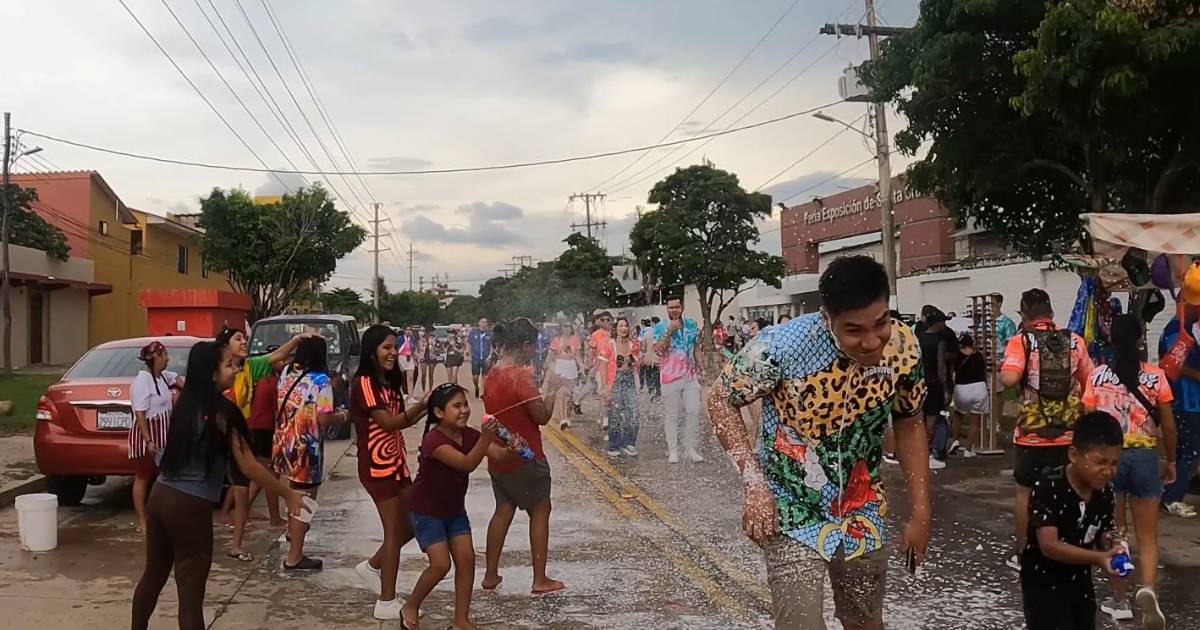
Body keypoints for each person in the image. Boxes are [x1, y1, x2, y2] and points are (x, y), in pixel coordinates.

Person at [706, 255, 932, 630]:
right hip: (792, 511)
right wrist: (753, 483)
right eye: (854, 330)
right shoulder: (780, 348)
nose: (872, 341)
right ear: (826, 319)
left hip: (863, 509)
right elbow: (720, 399)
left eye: (881, 323)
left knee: (864, 622)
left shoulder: (904, 348)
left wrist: (922, 512)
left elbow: (910, 421)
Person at [131, 341, 304, 630]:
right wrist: (288, 493)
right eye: (229, 365)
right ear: (211, 372)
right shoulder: (223, 412)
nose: (235, 371)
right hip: (189, 506)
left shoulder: (183, 404)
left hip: (160, 496)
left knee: (153, 575)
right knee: (190, 594)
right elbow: (248, 465)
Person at [1082, 314, 1174, 626]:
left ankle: (1120, 599)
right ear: (1139, 340)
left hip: (1110, 459)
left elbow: (1089, 422)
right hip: (1146, 456)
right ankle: (1149, 592)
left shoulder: (1096, 377)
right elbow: (1169, 426)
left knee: (1114, 533)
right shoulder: (1156, 376)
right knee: (1148, 538)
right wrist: (1170, 460)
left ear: (1110, 339)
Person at [402, 383, 511, 630]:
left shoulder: (470, 435)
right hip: (427, 512)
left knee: (467, 559)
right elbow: (466, 464)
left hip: (454, 511)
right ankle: (411, 605)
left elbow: (498, 455)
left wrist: (513, 446)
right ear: (439, 413)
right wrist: (485, 437)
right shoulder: (433, 440)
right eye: (456, 406)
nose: (463, 410)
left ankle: (461, 620)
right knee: (440, 564)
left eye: (465, 404)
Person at [1000, 288, 1094, 571]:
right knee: (1067, 490)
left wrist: (1014, 371)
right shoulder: (1075, 342)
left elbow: (1008, 379)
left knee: (1025, 493)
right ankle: (1066, 549)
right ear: (1051, 314)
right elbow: (1090, 381)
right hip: (1068, 433)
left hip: (1031, 435)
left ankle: (1026, 552)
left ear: (1024, 313)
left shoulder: (1021, 342)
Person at [481, 317, 565, 596]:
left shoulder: (492, 372)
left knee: (503, 510)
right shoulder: (521, 376)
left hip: (499, 456)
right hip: (527, 457)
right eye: (534, 345)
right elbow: (541, 417)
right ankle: (540, 579)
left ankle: (490, 575)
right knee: (540, 510)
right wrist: (552, 388)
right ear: (526, 345)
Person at [1019, 411, 1124, 630]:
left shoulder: (1104, 491)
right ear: (1074, 455)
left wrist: (1113, 545)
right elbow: (1049, 545)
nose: (1107, 471)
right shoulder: (1050, 486)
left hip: (1079, 578)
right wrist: (1099, 558)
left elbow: (1103, 531)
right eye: (1100, 462)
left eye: (1114, 463)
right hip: (1042, 580)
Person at [215, 326, 308, 563]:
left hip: (238, 435)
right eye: (238, 339)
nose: (244, 342)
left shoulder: (249, 367)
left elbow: (275, 357)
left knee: (243, 487)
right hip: (217, 437)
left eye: (245, 338)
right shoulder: (213, 369)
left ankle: (236, 544)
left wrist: (297, 339)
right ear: (226, 346)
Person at [273, 335, 347, 571]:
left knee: (293, 491)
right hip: (307, 448)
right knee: (305, 499)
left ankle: (291, 532)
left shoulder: (286, 373)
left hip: (283, 441)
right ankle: (294, 557)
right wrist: (343, 415)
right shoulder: (321, 380)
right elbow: (324, 418)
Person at [129, 341, 181, 534]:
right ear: (156, 357)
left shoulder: (162, 377)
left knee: (162, 478)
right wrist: (149, 440)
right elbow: (140, 414)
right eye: (165, 355)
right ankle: (142, 521)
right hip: (148, 435)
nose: (168, 359)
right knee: (143, 477)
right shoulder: (142, 382)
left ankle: (160, 517)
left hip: (163, 434)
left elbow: (176, 378)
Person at [1159, 291, 1200, 518]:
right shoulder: (1176, 331)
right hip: (1185, 400)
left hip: (1193, 401)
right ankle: (1171, 497)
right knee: (1188, 451)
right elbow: (1172, 365)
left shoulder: (1187, 330)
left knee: (1191, 451)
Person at [654, 296, 704, 464]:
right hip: (670, 376)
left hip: (690, 375)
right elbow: (660, 350)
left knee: (694, 411)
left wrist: (701, 367)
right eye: (670, 307)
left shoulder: (691, 324)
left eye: (676, 307)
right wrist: (670, 331)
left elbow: (696, 347)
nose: (674, 310)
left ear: (682, 307)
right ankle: (673, 450)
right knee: (672, 415)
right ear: (666, 309)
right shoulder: (660, 327)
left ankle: (689, 448)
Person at [919, 307, 953, 469]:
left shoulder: (918, 338)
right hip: (934, 383)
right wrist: (946, 388)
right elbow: (941, 367)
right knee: (932, 419)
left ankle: (918, 450)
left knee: (920, 418)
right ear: (937, 324)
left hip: (920, 382)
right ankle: (927, 452)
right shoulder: (939, 342)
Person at [605, 317, 641, 457]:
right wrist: (605, 386)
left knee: (633, 413)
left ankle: (629, 442)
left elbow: (638, 362)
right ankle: (614, 444)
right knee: (615, 413)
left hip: (629, 378)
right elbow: (603, 366)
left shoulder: (633, 344)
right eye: (621, 326)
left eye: (626, 326)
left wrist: (636, 359)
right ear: (616, 328)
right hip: (615, 380)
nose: (624, 328)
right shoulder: (610, 344)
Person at [950, 333, 988, 458]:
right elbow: (984, 372)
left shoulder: (956, 356)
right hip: (979, 387)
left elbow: (952, 371)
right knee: (975, 421)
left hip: (962, 387)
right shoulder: (978, 356)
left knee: (958, 414)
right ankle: (968, 449)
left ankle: (955, 439)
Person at [548, 322, 582, 430]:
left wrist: (582, 366)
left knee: (569, 394)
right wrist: (550, 366)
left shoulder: (575, 339)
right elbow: (551, 355)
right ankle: (563, 419)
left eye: (568, 326)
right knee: (560, 393)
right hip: (560, 366)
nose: (566, 328)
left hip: (571, 367)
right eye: (564, 326)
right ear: (561, 328)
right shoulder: (556, 339)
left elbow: (577, 356)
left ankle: (567, 416)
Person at [589, 311, 614, 430]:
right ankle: (605, 418)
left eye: (607, 319)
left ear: (612, 320)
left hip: (615, 369)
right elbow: (592, 352)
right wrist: (592, 365)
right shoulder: (596, 334)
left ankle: (611, 416)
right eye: (602, 320)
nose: (605, 322)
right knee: (604, 394)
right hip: (601, 368)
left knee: (613, 396)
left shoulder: (615, 333)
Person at [467, 317, 493, 399]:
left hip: (485, 358)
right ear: (479, 323)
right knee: (475, 377)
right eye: (483, 322)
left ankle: (483, 393)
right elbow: (469, 344)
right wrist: (469, 354)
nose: (484, 323)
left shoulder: (489, 334)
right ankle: (477, 388)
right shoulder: (473, 333)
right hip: (475, 357)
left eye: (486, 322)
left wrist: (490, 356)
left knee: (485, 376)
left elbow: (492, 346)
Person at [639, 317, 662, 398]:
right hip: (657, 357)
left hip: (648, 357)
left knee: (648, 374)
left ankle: (651, 390)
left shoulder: (645, 333)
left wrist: (641, 354)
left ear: (653, 323)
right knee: (657, 374)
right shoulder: (660, 333)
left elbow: (643, 347)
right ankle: (658, 391)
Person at [418, 326, 442, 395]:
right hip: (424, 356)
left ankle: (430, 390)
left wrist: (434, 348)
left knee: (431, 374)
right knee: (423, 374)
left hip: (432, 357)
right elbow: (419, 347)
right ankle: (423, 390)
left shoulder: (435, 338)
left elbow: (440, 348)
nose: (430, 333)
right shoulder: (422, 339)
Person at [397, 326, 418, 403]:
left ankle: (410, 397)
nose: (408, 331)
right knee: (400, 376)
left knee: (410, 378)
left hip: (409, 358)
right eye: (407, 330)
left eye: (410, 330)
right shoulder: (400, 338)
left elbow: (412, 350)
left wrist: (416, 358)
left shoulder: (412, 339)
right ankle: (400, 393)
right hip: (401, 357)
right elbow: (395, 348)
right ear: (404, 330)